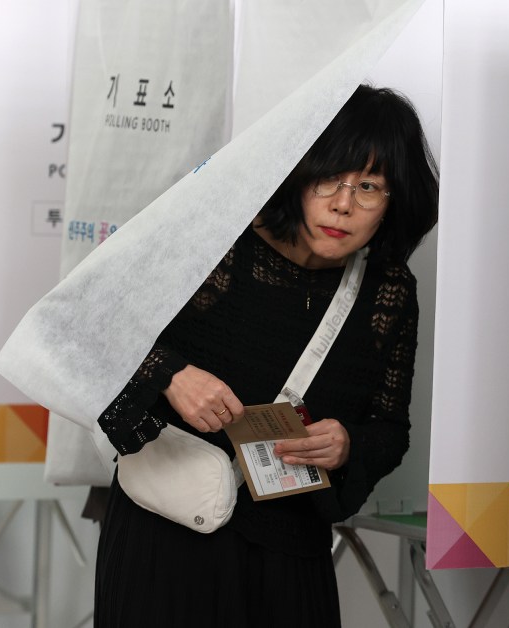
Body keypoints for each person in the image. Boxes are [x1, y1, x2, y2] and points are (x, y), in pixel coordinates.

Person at [93, 85, 438, 626]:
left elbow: (390, 429)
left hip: (291, 554)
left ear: (396, 200)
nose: (343, 204)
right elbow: (94, 324)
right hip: (165, 537)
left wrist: (348, 445)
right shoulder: (218, 246)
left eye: (370, 187)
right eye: (330, 177)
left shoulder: (388, 292)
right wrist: (171, 375)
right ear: (298, 173)